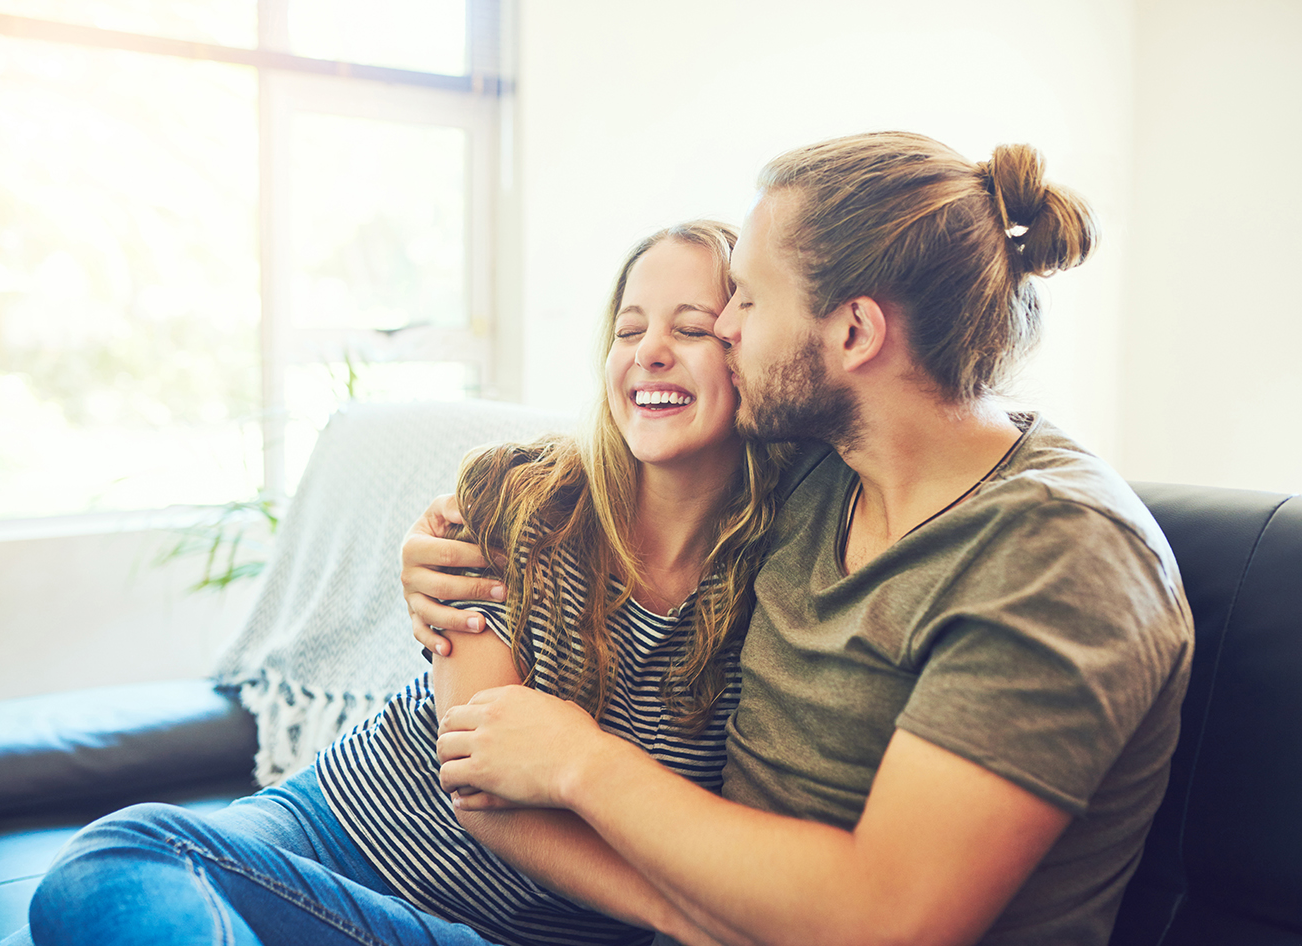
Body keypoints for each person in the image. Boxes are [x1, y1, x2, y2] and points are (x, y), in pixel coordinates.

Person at [405, 132, 1195, 946]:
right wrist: (444, 538)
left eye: (745, 300)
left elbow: (888, 920)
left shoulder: (1058, 555)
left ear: (853, 333)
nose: (728, 330)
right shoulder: (820, 471)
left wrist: (580, 762)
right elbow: (621, 463)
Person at [7, 221, 789, 946]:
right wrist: (678, 915)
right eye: (628, 329)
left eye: (690, 328)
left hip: (483, 932)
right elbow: (483, 792)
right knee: (112, 866)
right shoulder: (526, 500)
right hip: (322, 835)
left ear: (749, 354)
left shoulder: (782, 579)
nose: (649, 351)